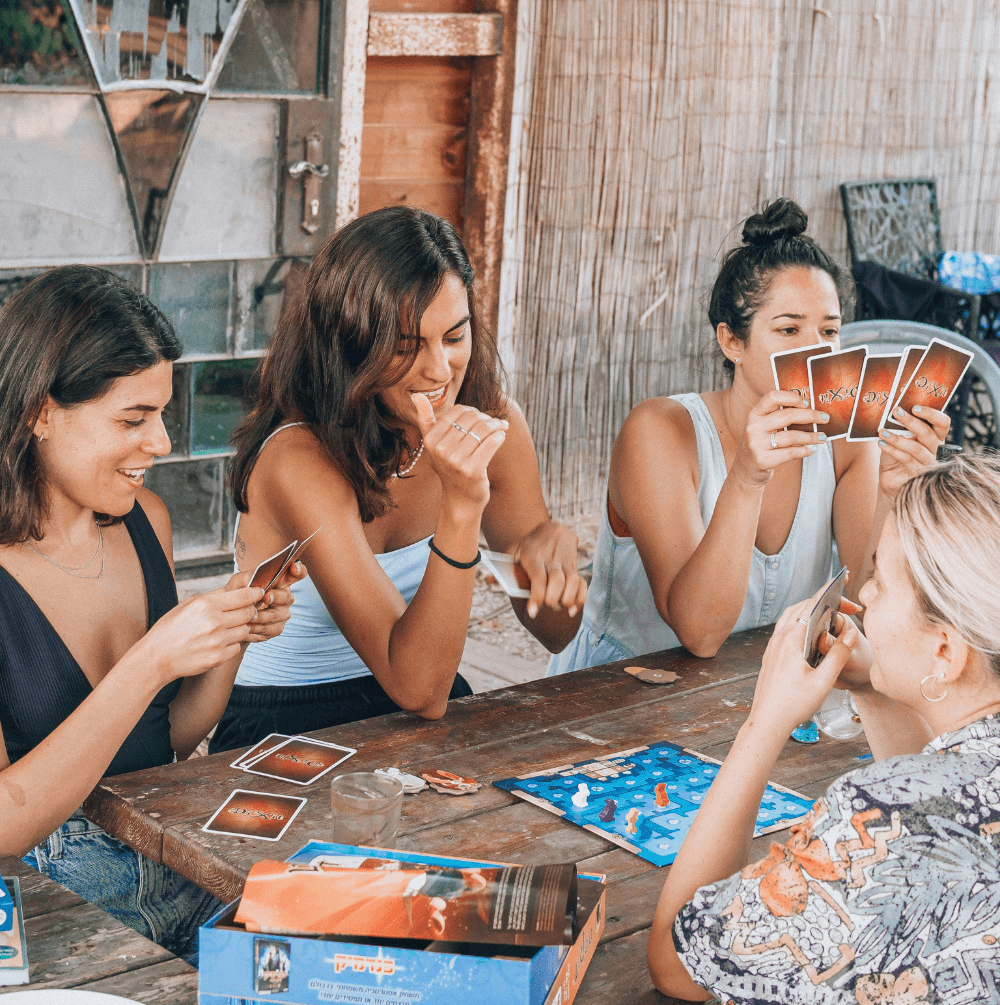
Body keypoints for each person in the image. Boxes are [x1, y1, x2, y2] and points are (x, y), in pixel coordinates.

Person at [648, 453, 1000, 1005]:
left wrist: (767, 720)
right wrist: (875, 685)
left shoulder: (879, 820)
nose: (863, 594)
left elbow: (681, 964)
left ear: (945, 650)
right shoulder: (933, 797)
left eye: (882, 581)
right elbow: (946, 805)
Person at [0, 267, 300, 964]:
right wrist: (151, 660)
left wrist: (232, 634)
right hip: (47, 903)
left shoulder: (146, 523)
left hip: (171, 862)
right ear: (39, 413)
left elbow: (171, 734)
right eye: (132, 419)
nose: (161, 443)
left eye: (161, 414)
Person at [209, 206, 585, 755]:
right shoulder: (298, 457)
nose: (438, 369)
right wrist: (461, 508)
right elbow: (420, 690)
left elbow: (555, 634)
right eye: (405, 346)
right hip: (288, 716)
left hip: (418, 711)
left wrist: (551, 563)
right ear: (349, 343)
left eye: (454, 337)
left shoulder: (494, 423)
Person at [549, 198, 950, 674]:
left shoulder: (846, 441)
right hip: (618, 693)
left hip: (764, 693)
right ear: (732, 342)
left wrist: (894, 491)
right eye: (787, 329)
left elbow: (866, 606)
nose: (815, 350)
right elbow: (699, 632)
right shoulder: (659, 432)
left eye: (829, 330)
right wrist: (747, 477)